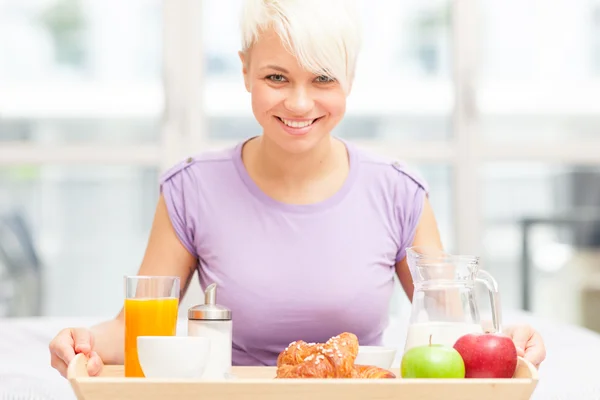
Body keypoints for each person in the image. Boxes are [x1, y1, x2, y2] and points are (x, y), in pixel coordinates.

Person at [49, 0, 546, 378]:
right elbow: (138, 331)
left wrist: (505, 344)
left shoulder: (398, 192)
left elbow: (452, 336)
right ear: (245, 70)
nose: (300, 102)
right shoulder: (191, 188)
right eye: (276, 77)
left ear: (349, 78)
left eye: (323, 78)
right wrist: (84, 341)